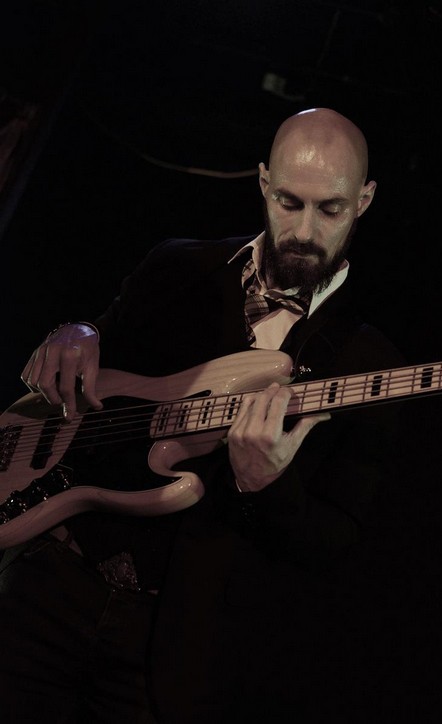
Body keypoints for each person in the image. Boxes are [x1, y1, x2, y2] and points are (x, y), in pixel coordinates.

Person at [0, 108, 403, 723]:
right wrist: (75, 331)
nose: (304, 230)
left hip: (171, 644)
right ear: (263, 182)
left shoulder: (366, 362)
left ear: (364, 201)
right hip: (51, 582)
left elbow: (334, 542)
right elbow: (94, 362)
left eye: (330, 209)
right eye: (289, 202)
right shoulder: (176, 266)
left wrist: (267, 484)